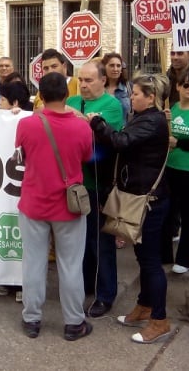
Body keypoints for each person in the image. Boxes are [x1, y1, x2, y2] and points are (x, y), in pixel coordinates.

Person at [89, 74, 171, 344]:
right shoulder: (143, 117)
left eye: (136, 94)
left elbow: (121, 141)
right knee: (142, 257)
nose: (131, 97)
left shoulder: (152, 120)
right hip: (136, 195)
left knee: (150, 262)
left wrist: (97, 122)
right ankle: (144, 306)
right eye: (133, 93)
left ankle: (159, 320)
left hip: (148, 201)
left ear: (151, 97)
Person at [16, 72, 93, 341]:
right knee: (70, 265)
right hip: (68, 206)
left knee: (33, 263)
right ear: (66, 94)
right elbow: (86, 156)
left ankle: (32, 318)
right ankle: (74, 322)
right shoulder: (83, 126)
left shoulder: (26, 124)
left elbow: (21, 155)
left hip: (34, 203)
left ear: (40, 95)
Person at [67, 60, 124, 318]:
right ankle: (88, 283)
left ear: (103, 80)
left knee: (101, 241)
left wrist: (80, 121)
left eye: (89, 80)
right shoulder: (74, 100)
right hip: (76, 184)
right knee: (82, 239)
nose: (84, 85)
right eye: (81, 79)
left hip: (99, 183)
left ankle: (105, 294)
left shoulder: (112, 105)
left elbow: (104, 137)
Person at [160, 74, 189, 274]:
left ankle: (185, 258)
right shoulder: (172, 108)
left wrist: (179, 142)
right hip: (170, 168)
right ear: (178, 87)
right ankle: (165, 253)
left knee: (188, 216)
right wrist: (164, 122)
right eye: (186, 85)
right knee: (167, 212)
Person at [102, 52, 131, 124]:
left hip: (124, 132)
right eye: (112, 65)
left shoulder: (129, 88)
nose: (115, 69)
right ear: (104, 67)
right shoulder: (97, 88)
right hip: (102, 132)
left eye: (118, 66)